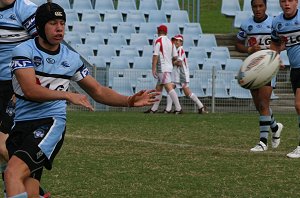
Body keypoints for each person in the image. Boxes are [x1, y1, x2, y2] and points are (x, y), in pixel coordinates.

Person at [3, 2, 159, 197]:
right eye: (52, 23)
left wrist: (128, 100)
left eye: (62, 23)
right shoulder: (23, 51)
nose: (59, 28)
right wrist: (67, 94)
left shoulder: (72, 58)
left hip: (49, 123)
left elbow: (98, 90)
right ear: (41, 26)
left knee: (12, 173)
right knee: (30, 187)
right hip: (22, 123)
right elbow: (30, 90)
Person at [0, 0, 50, 197]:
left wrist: (23, 87)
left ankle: (32, 191)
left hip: (17, 85)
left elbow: (43, 47)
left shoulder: (26, 10)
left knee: (5, 146)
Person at [236, 0, 283, 152]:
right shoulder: (246, 24)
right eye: (255, 6)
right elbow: (238, 43)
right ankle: (275, 127)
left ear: (265, 7)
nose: (258, 9)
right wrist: (249, 49)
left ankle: (263, 142)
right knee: (259, 106)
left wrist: (274, 54)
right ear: (252, 7)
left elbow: (283, 42)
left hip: (268, 67)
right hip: (253, 68)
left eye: (260, 6)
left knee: (263, 103)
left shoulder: (274, 23)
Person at [270, 0, 300, 158]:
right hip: (295, 69)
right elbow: (275, 45)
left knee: (299, 105)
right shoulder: (277, 22)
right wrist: (275, 58)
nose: (287, 4)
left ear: (297, 2)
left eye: (290, 0)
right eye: (283, 1)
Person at [163, 34, 208, 114]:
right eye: (175, 40)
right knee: (170, 89)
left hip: (182, 75)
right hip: (177, 74)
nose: (176, 42)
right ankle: (168, 109)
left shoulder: (180, 50)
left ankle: (201, 106)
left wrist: (171, 62)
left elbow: (179, 63)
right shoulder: (175, 50)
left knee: (187, 93)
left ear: (181, 42)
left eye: (178, 40)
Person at [144, 24, 182, 114]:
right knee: (158, 88)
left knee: (169, 88)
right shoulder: (170, 42)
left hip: (162, 68)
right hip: (168, 68)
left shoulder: (158, 41)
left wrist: (153, 68)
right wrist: (169, 62)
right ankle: (154, 109)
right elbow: (175, 56)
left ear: (159, 31)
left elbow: (155, 55)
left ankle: (178, 108)